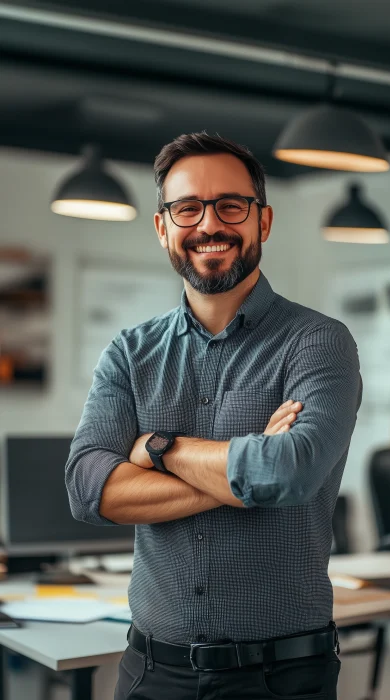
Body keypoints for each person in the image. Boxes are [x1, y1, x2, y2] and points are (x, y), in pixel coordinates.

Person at [65, 132, 362, 700]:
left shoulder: (319, 342)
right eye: (187, 208)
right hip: (151, 673)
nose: (209, 225)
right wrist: (247, 469)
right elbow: (87, 489)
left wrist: (157, 449)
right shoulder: (130, 353)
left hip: (281, 678)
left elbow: (290, 473)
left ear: (263, 222)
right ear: (163, 228)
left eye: (231, 205)